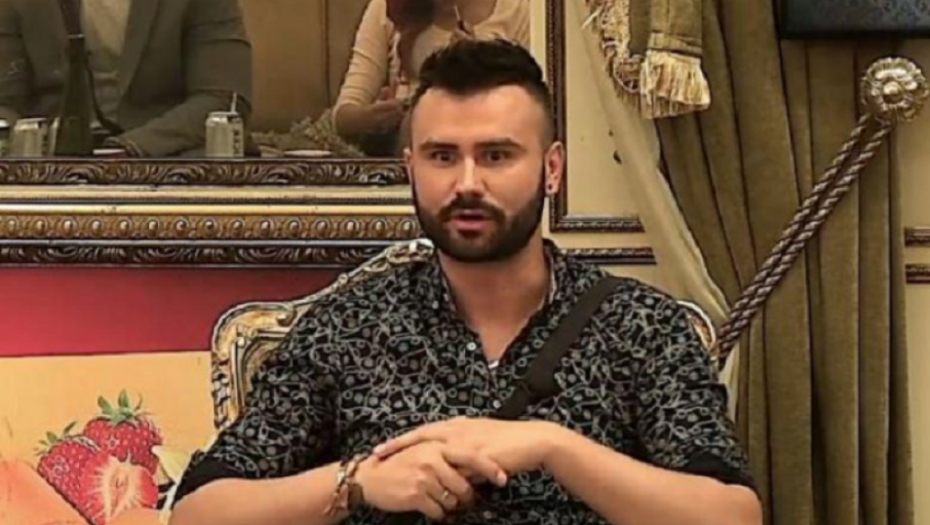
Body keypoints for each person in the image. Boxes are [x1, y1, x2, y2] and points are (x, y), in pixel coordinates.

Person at [168, 39, 762, 525]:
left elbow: (731, 517)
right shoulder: (347, 328)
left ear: (552, 169)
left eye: (497, 156)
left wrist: (554, 447)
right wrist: (358, 482)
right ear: (411, 169)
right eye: (443, 156)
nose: (468, 183)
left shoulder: (640, 326)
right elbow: (199, 513)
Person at [0, 0, 252, 157]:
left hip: (165, 158)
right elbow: (6, 103)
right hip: (49, 164)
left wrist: (128, 149)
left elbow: (222, 99)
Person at [333, 0, 529, 156]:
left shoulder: (520, 9)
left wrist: (476, 72)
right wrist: (372, 119)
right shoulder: (388, 8)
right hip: (400, 171)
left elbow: (530, 115)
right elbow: (343, 117)